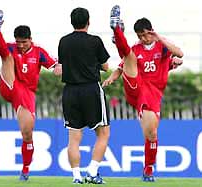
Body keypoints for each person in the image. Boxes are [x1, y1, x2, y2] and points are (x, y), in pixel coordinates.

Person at [106, 5, 184, 182]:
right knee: (129, 54)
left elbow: (179, 53)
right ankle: (117, 31)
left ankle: (148, 169)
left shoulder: (162, 48)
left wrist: (159, 39)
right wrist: (112, 77)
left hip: (153, 94)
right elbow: (122, 66)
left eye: (145, 35)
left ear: (151, 32)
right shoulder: (136, 48)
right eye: (139, 36)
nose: (143, 38)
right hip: (136, 87)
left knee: (152, 134)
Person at [0, 10, 61, 181]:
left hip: (26, 94)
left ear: (30, 40)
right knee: (6, 55)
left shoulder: (39, 52)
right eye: (18, 42)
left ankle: (25, 170)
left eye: (24, 42)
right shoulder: (11, 48)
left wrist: (59, 67)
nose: (20, 45)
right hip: (9, 85)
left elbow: (54, 66)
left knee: (27, 134)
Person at [58, 7, 110, 184]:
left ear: (71, 22)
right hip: (90, 89)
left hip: (70, 91)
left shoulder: (63, 41)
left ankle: (76, 177)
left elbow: (63, 64)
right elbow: (106, 67)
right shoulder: (94, 41)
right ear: (89, 21)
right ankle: (92, 172)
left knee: (74, 138)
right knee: (103, 133)